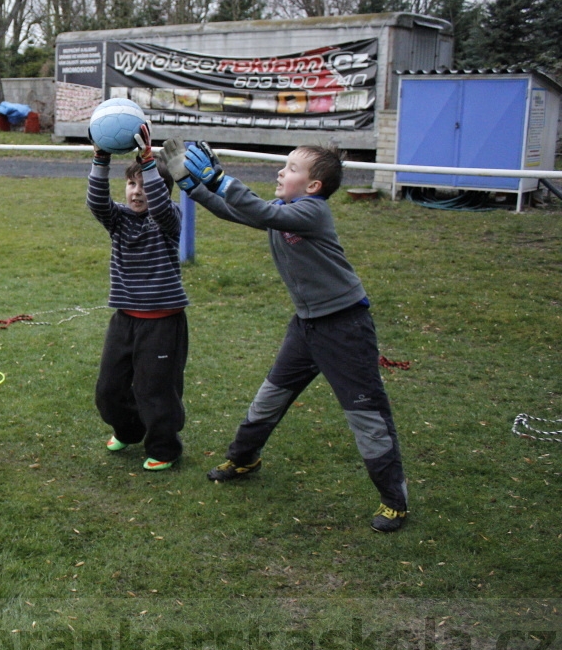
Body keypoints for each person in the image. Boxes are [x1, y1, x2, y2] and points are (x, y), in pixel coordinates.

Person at [166, 139, 408, 532]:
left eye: (292, 168)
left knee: (366, 415)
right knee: (269, 398)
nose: (281, 172)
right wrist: (194, 187)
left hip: (344, 328)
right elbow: (239, 211)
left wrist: (219, 177)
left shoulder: (312, 212)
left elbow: (255, 207)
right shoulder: (284, 211)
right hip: (306, 326)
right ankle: (244, 458)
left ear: (313, 186)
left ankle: (394, 501)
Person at [87, 128, 189, 471]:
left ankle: (164, 448)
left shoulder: (169, 219)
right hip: (125, 320)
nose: (137, 192)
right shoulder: (119, 221)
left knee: (155, 390)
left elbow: (159, 207)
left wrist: (148, 160)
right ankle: (129, 430)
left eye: (145, 186)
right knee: (108, 389)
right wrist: (101, 158)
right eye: (132, 185)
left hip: (162, 321)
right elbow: (97, 201)